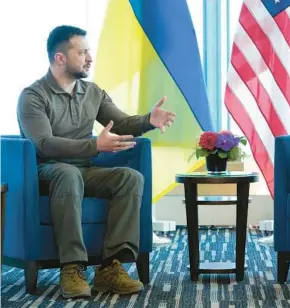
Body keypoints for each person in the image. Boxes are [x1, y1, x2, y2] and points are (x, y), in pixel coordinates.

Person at [17, 25, 176, 299]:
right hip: (46, 171)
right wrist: (94, 145)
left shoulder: (92, 92)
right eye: (82, 52)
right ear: (60, 58)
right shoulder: (32, 96)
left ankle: (110, 268)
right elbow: (44, 143)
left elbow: (123, 122)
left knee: (130, 178)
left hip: (84, 170)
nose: (89, 58)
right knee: (67, 174)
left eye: (88, 51)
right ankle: (71, 267)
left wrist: (148, 120)